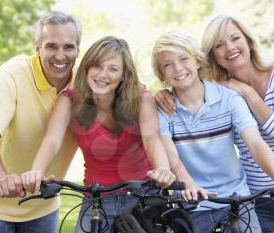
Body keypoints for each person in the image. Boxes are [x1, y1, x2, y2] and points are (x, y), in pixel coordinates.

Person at [156, 16, 274, 232]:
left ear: (248, 41)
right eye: (219, 45)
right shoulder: (221, 92)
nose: (229, 48)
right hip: (258, 197)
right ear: (212, 56)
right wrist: (158, 96)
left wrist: (247, 92)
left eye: (235, 38)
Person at [21, 36, 175, 233]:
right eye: (97, 66)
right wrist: (37, 172)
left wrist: (163, 169)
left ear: (123, 75)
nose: (103, 75)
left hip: (143, 195)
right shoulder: (69, 100)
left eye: (113, 69)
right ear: (86, 68)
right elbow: (52, 140)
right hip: (97, 199)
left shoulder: (141, 99)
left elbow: (151, 138)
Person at [0, 11, 82, 233]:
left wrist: (160, 96)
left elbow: (126, 90)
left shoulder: (86, 82)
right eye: (51, 46)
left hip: (43, 207)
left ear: (77, 50)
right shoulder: (14, 74)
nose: (60, 55)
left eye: (68, 47)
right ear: (37, 49)